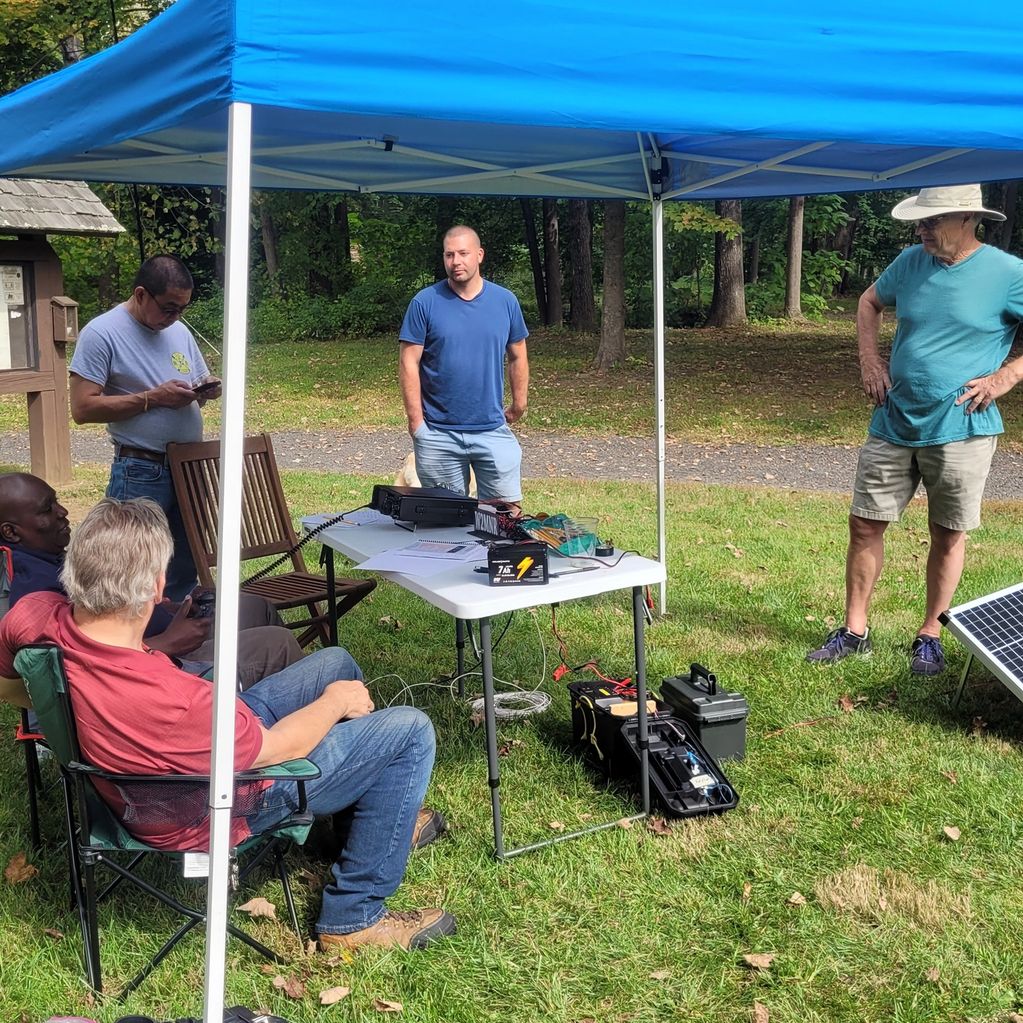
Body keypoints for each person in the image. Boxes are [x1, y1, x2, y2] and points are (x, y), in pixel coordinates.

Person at [0, 497, 455, 951]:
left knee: (335, 662)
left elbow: (6, 684)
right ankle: (353, 918)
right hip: (209, 803)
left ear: (75, 571)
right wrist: (335, 704)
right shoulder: (176, 698)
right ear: (158, 586)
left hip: (157, 766)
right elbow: (277, 750)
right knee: (409, 731)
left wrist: (65, 708)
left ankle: (357, 830)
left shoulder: (34, 613)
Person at [808, 184, 1023, 675]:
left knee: (947, 533)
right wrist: (870, 361)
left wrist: (1006, 376)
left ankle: (930, 634)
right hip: (894, 418)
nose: (921, 229)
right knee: (865, 523)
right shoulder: (909, 261)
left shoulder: (1007, 273)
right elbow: (869, 301)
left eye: (931, 220)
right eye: (919, 221)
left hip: (962, 426)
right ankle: (854, 630)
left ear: (967, 219)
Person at [0, 471, 303, 690]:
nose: (62, 512)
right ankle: (274, 726)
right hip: (157, 667)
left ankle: (258, 704)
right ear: (11, 532)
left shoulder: (46, 560)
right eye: (47, 509)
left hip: (158, 637)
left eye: (56, 502)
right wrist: (166, 643)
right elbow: (77, 667)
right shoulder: (35, 593)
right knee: (277, 644)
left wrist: (162, 608)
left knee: (255, 608)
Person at [69, 254, 221, 601]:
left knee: (185, 564)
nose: (175, 317)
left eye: (182, 309)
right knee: (131, 567)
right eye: (169, 308)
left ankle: (178, 629)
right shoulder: (101, 333)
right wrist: (153, 398)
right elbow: (82, 408)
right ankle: (132, 630)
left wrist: (205, 390)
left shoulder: (178, 330)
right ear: (141, 294)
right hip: (141, 469)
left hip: (189, 467)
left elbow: (195, 380)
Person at [399, 225, 529, 509]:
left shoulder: (505, 302)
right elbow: (409, 361)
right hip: (438, 433)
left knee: (505, 515)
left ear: (479, 255)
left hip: (492, 429)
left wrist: (519, 404)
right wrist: (416, 423)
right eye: (449, 255)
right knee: (443, 519)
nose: (456, 261)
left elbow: (518, 355)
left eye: (463, 253)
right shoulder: (424, 303)